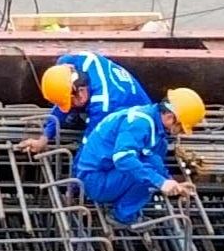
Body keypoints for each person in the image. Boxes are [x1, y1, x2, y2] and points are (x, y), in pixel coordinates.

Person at [76, 89, 206, 227]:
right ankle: (122, 216)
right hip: (96, 182)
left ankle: (124, 206)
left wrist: (171, 182)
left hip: (105, 174)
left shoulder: (151, 120)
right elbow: (123, 159)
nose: (181, 132)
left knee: (154, 160)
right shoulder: (140, 123)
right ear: (169, 117)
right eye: (181, 127)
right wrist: (160, 182)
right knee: (149, 169)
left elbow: (152, 159)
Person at [32, 53, 151, 147]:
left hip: (140, 124)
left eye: (71, 103)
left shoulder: (103, 105)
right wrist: (45, 137)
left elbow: (89, 150)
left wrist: (75, 170)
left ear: (81, 93)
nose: (70, 107)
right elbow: (64, 97)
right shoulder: (74, 64)